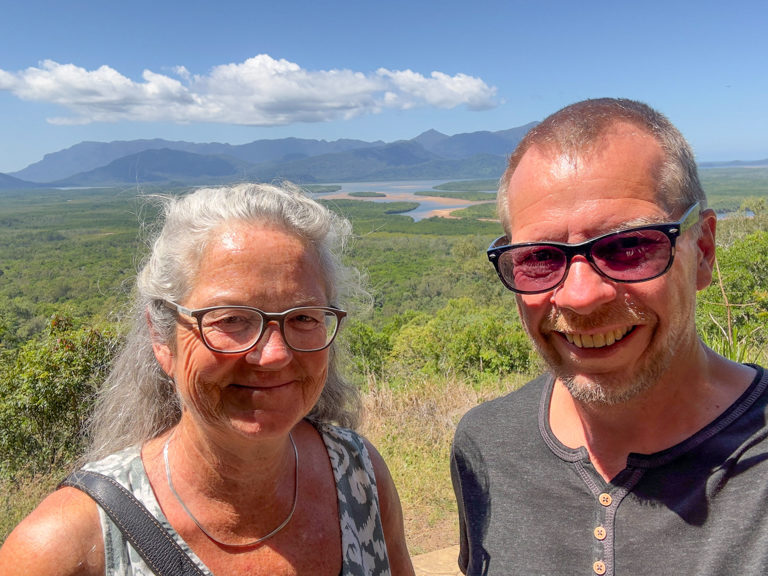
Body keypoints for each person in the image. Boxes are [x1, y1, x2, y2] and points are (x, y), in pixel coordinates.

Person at [0, 182, 415, 576]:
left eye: (303, 317)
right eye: (232, 319)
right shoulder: (62, 549)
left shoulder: (358, 474)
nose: (274, 355)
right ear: (162, 339)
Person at [450, 98, 768, 576]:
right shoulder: (487, 445)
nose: (580, 296)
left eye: (629, 246)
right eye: (540, 257)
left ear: (702, 250)